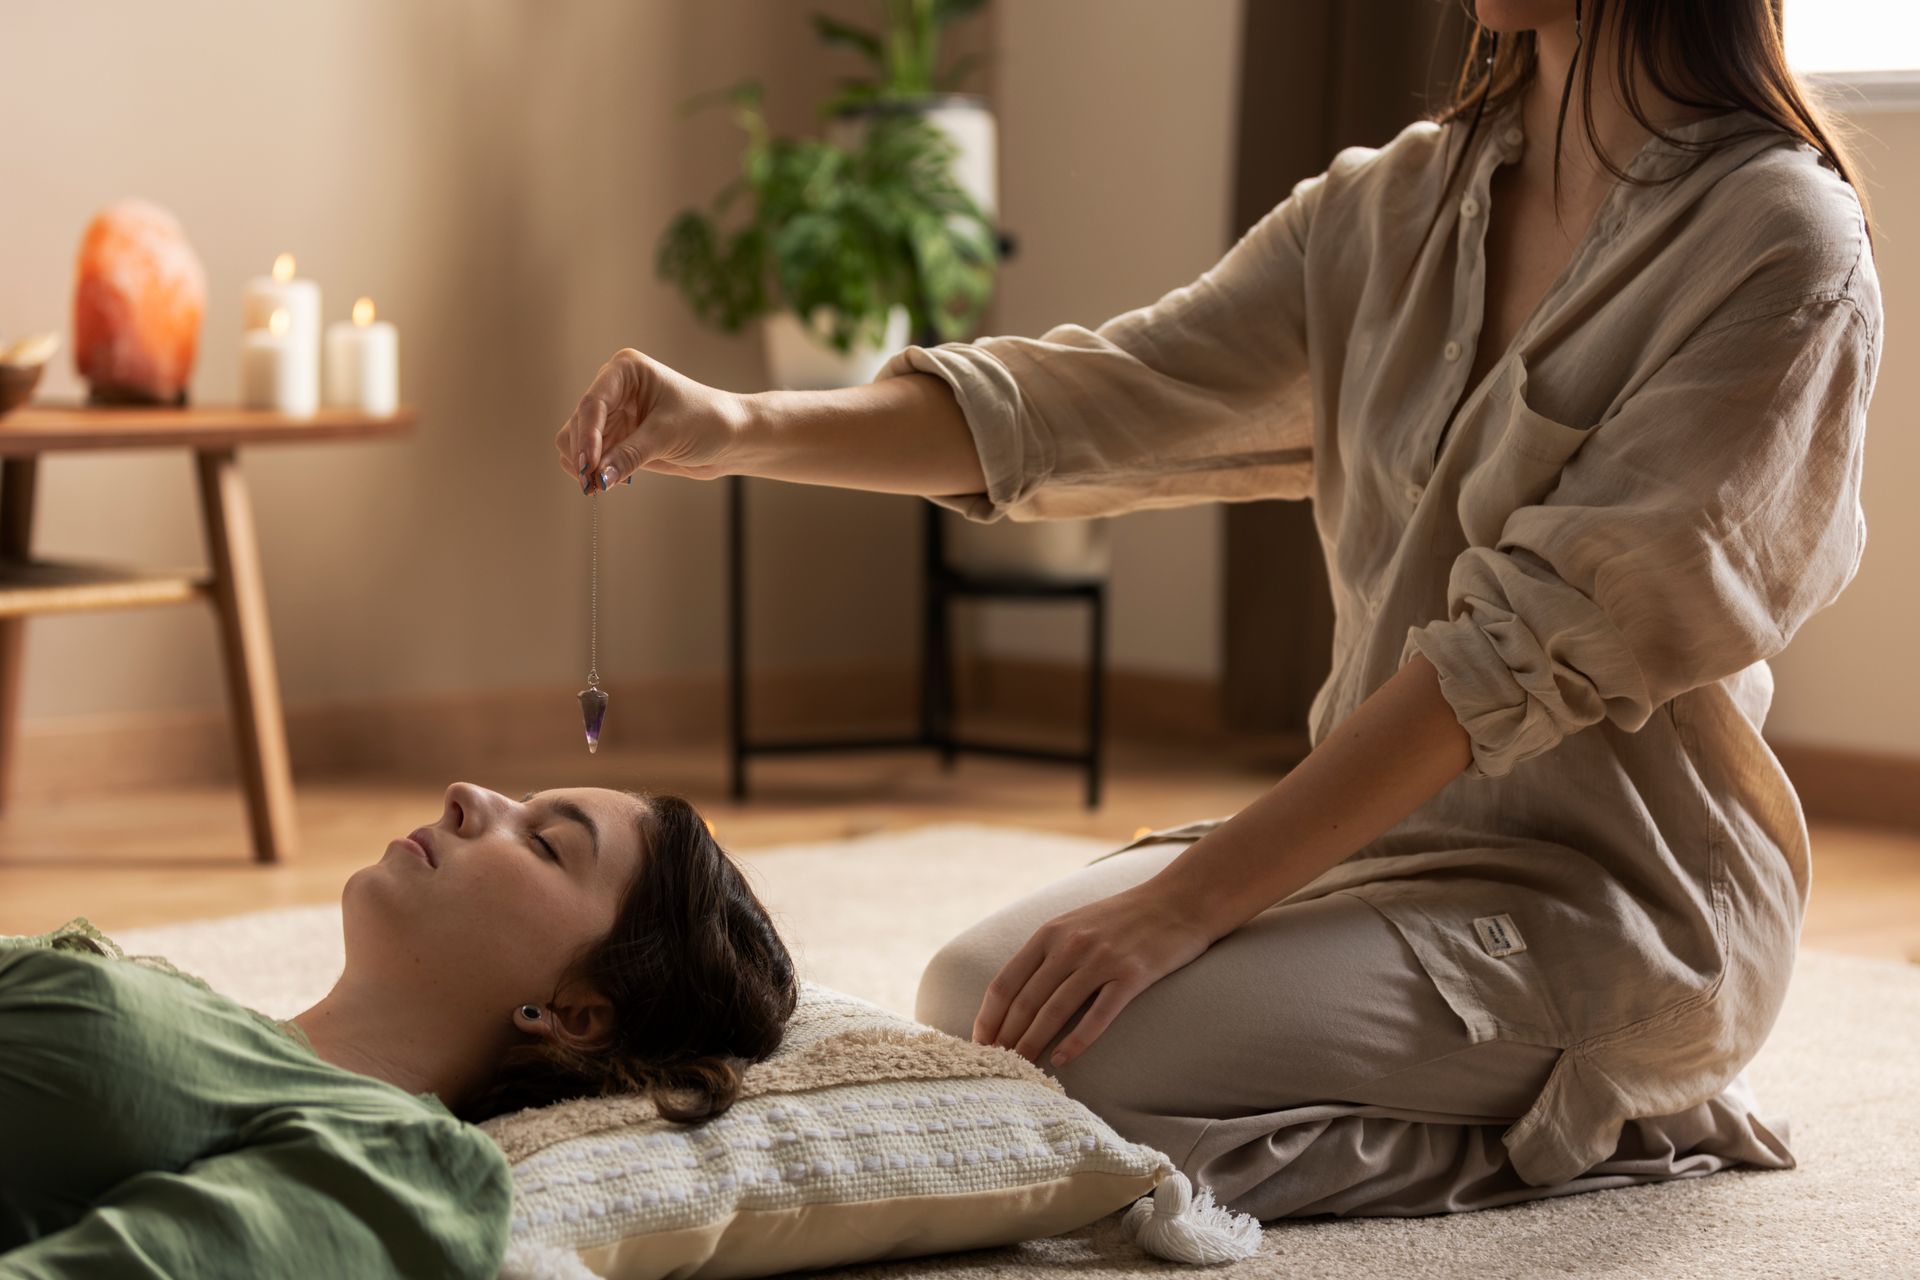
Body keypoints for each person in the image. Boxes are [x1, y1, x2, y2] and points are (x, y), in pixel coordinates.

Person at [554, 0, 1880, 1221]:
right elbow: (1097, 399)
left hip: (1613, 903)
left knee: (1101, 1079)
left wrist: (1185, 904)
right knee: (981, 1005)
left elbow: (1505, 658)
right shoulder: (1397, 203)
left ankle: (1617, 1125)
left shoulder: (1777, 243)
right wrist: (732, 423)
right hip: (1369, 849)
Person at [0, 785, 798, 1276]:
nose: (466, 794)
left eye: (544, 842)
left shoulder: (407, 1162)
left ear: (576, 1013)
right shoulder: (210, 1019)